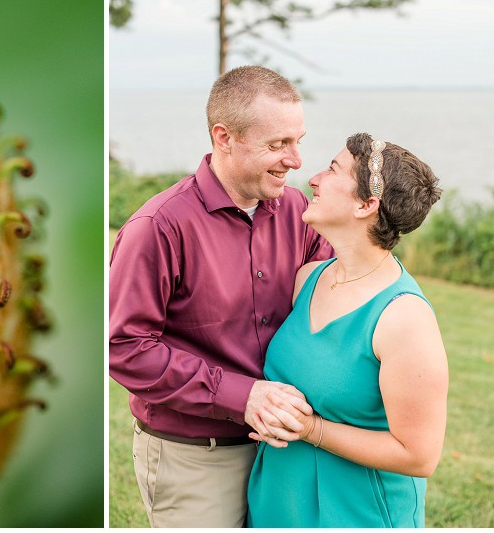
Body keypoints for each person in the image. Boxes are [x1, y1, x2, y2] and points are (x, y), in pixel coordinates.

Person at [109, 65, 334, 528]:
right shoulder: (158, 228)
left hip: (285, 452)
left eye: (298, 141)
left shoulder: (298, 213)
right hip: (195, 459)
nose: (295, 160)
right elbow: (124, 349)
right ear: (224, 137)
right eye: (277, 145)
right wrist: (241, 394)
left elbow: (339, 296)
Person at [246, 133, 448, 527]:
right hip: (277, 500)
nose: (314, 179)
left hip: (356, 512)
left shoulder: (403, 317)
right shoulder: (307, 278)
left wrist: (310, 429)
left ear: (365, 204)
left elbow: (420, 455)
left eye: (333, 169)